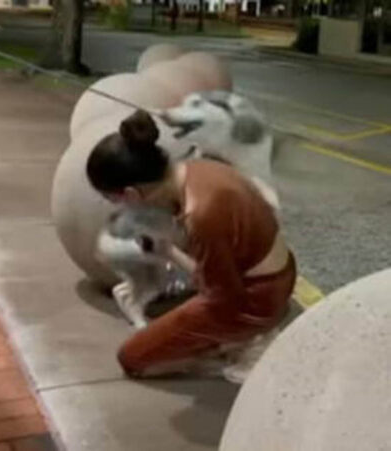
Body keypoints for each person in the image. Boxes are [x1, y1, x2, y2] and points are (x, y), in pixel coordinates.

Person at [85, 109, 296, 379]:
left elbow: (221, 297)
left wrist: (169, 253)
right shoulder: (201, 168)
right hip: (278, 272)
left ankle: (245, 342)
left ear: (131, 193)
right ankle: (235, 337)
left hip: (257, 298)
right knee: (172, 324)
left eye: (114, 200)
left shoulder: (201, 213)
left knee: (133, 359)